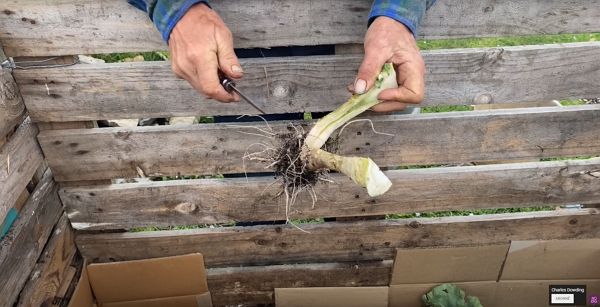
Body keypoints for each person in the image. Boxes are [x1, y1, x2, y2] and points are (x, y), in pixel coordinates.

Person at [126, 0, 436, 115]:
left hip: (357, 44)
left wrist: (398, 15)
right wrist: (173, 8)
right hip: (241, 43)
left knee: (352, 201)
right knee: (260, 197)